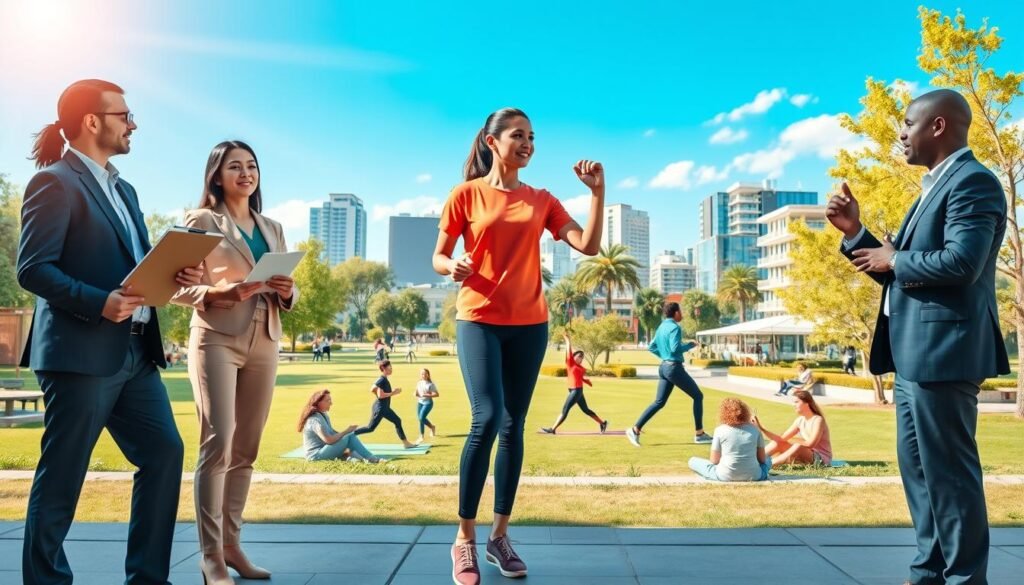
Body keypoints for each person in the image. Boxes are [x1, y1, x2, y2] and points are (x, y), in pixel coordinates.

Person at [18, 79, 204, 585]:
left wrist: (176, 272)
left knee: (164, 452)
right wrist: (100, 303)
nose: (133, 123)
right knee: (61, 479)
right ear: (93, 122)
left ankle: (148, 578)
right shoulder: (54, 183)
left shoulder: (125, 188)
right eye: (124, 115)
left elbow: (135, 263)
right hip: (79, 355)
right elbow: (33, 269)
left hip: (135, 357)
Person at [827, 89, 1008, 585]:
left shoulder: (975, 183)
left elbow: (962, 263)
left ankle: (966, 580)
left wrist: (895, 258)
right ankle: (929, 572)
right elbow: (901, 272)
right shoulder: (934, 187)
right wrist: (856, 235)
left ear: (939, 126)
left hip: (944, 356)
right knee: (922, 477)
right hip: (913, 358)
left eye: (908, 123)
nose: (900, 134)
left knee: (950, 477)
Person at [432, 107, 605, 584]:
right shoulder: (465, 195)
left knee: (513, 427)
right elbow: (439, 256)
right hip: (479, 321)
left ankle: (499, 537)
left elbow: (588, 246)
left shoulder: (542, 199)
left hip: (530, 325)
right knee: (486, 418)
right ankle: (463, 539)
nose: (527, 143)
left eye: (532, 136)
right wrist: (454, 268)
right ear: (493, 142)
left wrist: (597, 194)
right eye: (517, 135)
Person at [170, 140, 297, 584]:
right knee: (218, 444)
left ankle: (232, 546)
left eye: (252, 166)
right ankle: (211, 560)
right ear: (217, 176)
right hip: (216, 339)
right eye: (235, 166)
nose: (246, 173)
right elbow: (176, 286)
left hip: (265, 338)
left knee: (246, 450)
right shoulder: (201, 221)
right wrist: (217, 293)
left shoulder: (274, 226)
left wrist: (286, 290)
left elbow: (291, 290)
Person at [626, 302, 710, 447]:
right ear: (676, 313)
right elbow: (675, 348)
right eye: (681, 311)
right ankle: (699, 434)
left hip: (664, 367)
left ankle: (635, 429)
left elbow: (652, 347)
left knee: (659, 402)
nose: (682, 314)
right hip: (673, 368)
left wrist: (665, 356)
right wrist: (690, 344)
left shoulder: (661, 327)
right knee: (698, 396)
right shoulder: (675, 327)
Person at [688, 398, 770, 482]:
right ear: (745, 412)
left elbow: (714, 460)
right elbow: (762, 460)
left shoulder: (720, 430)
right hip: (754, 475)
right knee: (768, 459)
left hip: (725, 476)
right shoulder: (755, 430)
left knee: (692, 461)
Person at [540, 332, 607, 434]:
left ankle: (552, 429)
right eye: (579, 355)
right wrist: (567, 340)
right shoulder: (570, 362)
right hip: (575, 390)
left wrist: (586, 381)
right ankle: (602, 423)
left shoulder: (580, 368)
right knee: (585, 410)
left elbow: (579, 377)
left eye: (582, 357)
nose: (581, 358)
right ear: (574, 356)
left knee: (565, 410)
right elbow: (569, 351)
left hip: (577, 391)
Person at [298, 389, 383, 463]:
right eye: (327, 401)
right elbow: (329, 440)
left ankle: (359, 459)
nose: (331, 403)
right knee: (349, 436)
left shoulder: (323, 415)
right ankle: (373, 459)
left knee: (349, 438)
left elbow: (332, 433)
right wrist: (346, 431)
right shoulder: (315, 419)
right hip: (315, 456)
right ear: (318, 402)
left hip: (324, 450)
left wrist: (346, 436)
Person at [753, 390, 832, 467]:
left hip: (821, 460)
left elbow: (810, 444)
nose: (794, 405)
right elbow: (781, 439)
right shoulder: (800, 420)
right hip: (807, 455)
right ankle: (753, 460)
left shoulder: (818, 420)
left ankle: (767, 465)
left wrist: (792, 442)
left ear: (807, 403)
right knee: (778, 443)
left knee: (798, 446)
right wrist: (761, 428)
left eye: (797, 402)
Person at [353, 360, 416, 448]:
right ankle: (351, 434)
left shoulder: (383, 379)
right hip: (380, 408)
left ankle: (406, 443)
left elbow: (373, 389)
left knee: (397, 421)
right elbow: (380, 395)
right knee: (370, 428)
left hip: (385, 408)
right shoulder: (382, 380)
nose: (391, 369)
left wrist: (389, 393)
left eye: (391, 367)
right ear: (383, 368)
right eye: (389, 367)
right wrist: (393, 393)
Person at [415, 368, 439, 444]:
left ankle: (432, 427)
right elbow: (417, 391)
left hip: (428, 403)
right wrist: (415, 393)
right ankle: (421, 436)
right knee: (420, 419)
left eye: (425, 374)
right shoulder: (419, 383)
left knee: (421, 418)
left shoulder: (430, 384)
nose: (424, 375)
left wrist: (426, 394)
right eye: (422, 374)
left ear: (428, 375)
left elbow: (436, 394)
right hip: (420, 402)